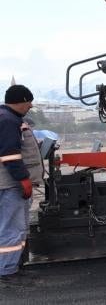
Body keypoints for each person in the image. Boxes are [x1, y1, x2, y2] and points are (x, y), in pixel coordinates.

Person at [0, 85, 35, 287]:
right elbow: (10, 155)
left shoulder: (7, 117)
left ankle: (11, 266)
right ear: (20, 101)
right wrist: (23, 179)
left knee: (14, 226)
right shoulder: (8, 120)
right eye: (28, 101)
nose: (30, 105)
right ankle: (7, 271)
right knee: (12, 227)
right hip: (10, 184)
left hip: (8, 183)